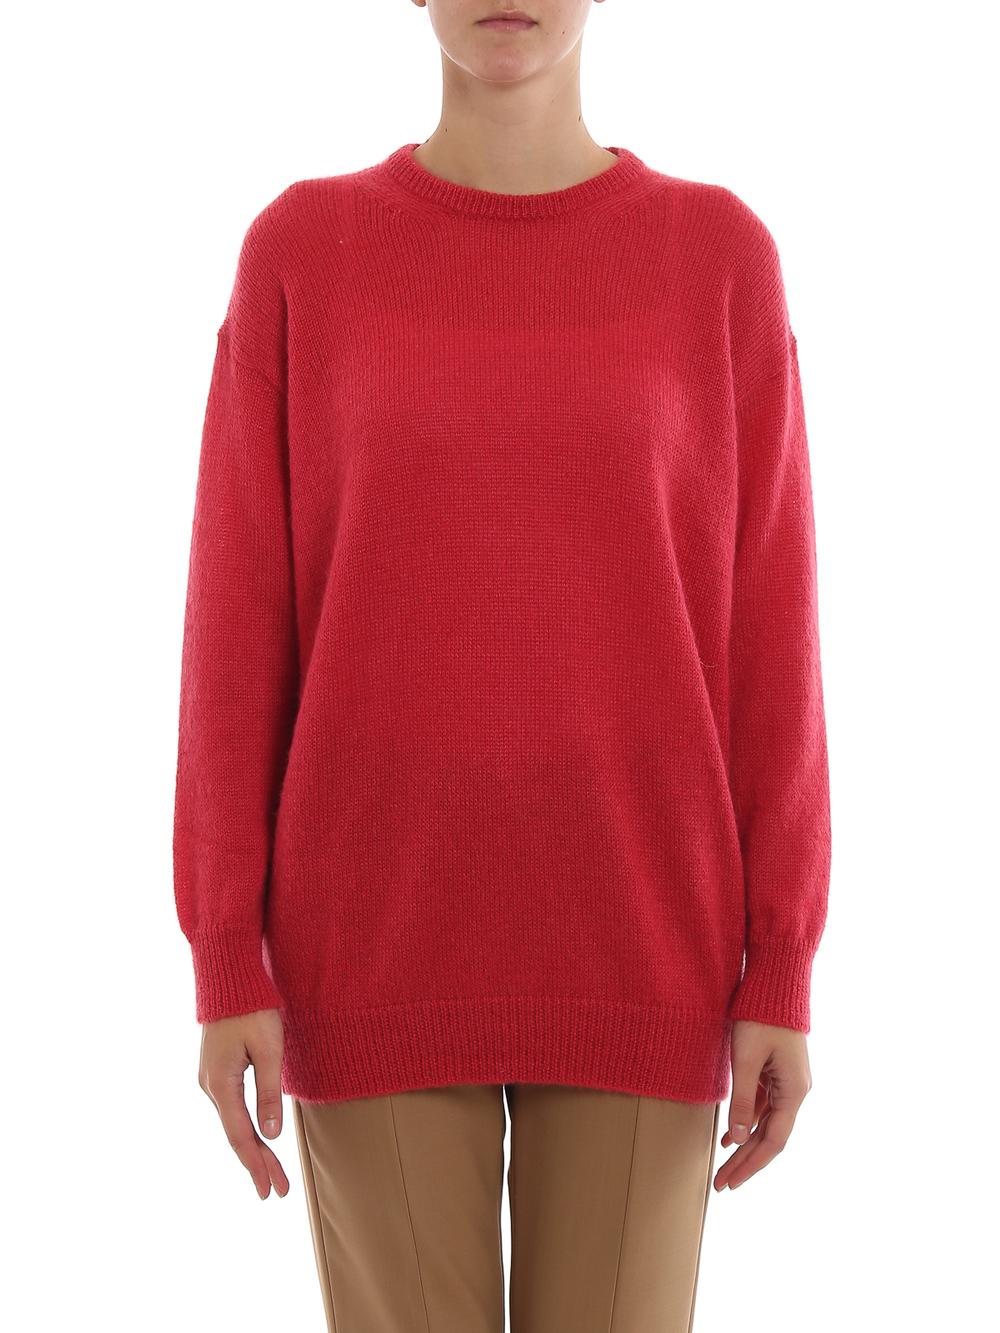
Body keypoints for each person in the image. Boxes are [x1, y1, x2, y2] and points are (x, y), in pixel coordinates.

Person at [172, 2, 832, 1328]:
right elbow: (237, 623)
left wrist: (783, 960)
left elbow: (771, 633)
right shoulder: (303, 251)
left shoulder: (717, 258)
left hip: (646, 936)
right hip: (369, 936)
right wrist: (225, 948)